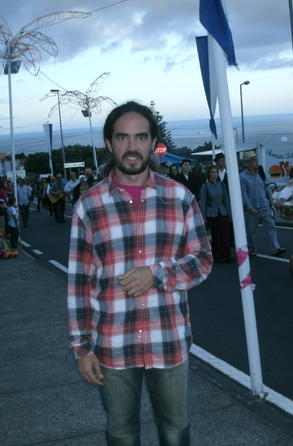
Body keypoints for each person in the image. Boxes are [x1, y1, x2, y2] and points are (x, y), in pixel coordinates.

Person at [68, 101, 212, 445]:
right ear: (108, 143)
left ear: (152, 142)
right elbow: (79, 283)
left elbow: (203, 259)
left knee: (176, 430)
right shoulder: (88, 205)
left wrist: (157, 274)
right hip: (113, 343)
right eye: (122, 137)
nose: (132, 147)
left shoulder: (180, 198)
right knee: (121, 433)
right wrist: (81, 348)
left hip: (168, 339)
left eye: (140, 137)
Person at [240, 150, 285, 257]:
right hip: (252, 209)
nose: (255, 162)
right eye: (252, 160)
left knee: (271, 226)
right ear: (247, 163)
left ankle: (276, 248)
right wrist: (248, 207)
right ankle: (251, 248)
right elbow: (243, 194)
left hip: (264, 206)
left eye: (255, 159)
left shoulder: (261, 172)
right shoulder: (242, 177)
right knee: (251, 230)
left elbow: (267, 188)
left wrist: (273, 200)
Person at [199, 165, 231, 262]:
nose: (214, 174)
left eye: (216, 172)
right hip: (211, 213)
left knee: (225, 234)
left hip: (222, 211)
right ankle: (217, 255)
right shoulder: (205, 186)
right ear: (209, 174)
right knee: (216, 235)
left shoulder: (222, 185)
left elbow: (226, 199)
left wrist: (229, 213)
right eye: (212, 172)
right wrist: (203, 217)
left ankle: (227, 255)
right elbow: (203, 202)